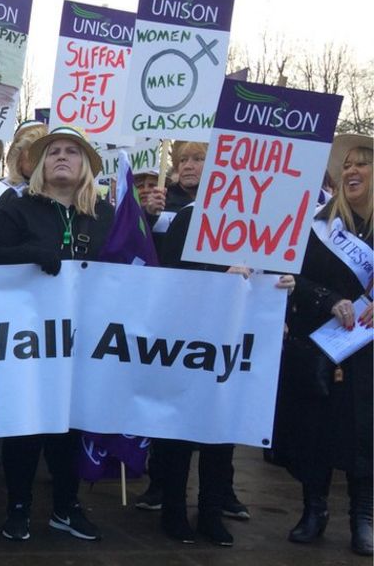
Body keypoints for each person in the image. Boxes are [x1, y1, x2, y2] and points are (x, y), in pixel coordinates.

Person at [157, 147, 296, 545]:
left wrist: (282, 288)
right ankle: (172, 510)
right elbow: (171, 279)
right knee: (181, 430)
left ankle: (212, 512)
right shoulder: (188, 218)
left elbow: (270, 275)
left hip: (237, 342)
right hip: (192, 339)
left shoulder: (262, 224)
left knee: (223, 428)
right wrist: (219, 274)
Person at [0, 125, 111, 544]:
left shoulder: (105, 216)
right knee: (27, 424)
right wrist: (30, 255)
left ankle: (66, 506)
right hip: (29, 340)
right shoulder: (17, 211)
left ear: (86, 165)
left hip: (86, 341)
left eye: (72, 152)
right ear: (38, 164)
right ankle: (18, 505)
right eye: (52, 151)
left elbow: (135, 267)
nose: (61, 156)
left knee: (71, 426)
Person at [274, 134, 372, 556]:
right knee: (315, 428)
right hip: (321, 342)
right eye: (346, 165)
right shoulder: (318, 224)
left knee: (364, 432)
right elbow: (292, 277)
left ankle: (363, 517)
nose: (351, 171)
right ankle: (313, 510)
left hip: (367, 351)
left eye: (362, 163)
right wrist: (329, 300)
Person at [0, 121, 46, 204]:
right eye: (32, 149)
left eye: (44, 150)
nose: (38, 155)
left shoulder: (59, 197)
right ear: (17, 156)